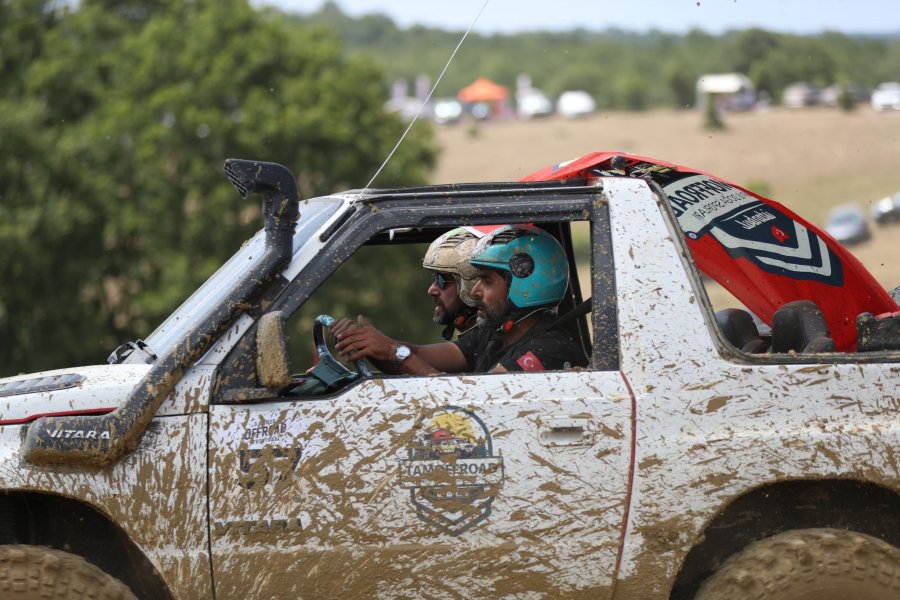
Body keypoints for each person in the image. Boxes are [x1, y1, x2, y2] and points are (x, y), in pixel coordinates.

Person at [332, 224, 586, 374]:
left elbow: (478, 402)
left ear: (525, 286)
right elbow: (418, 354)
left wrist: (392, 352)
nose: (475, 291)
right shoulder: (494, 334)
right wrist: (371, 345)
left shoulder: (550, 350)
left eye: (486, 281)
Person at [421, 227, 483, 340]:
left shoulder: (492, 343)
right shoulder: (477, 344)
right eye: (434, 278)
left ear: (472, 284)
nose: (431, 290)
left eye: (441, 279)